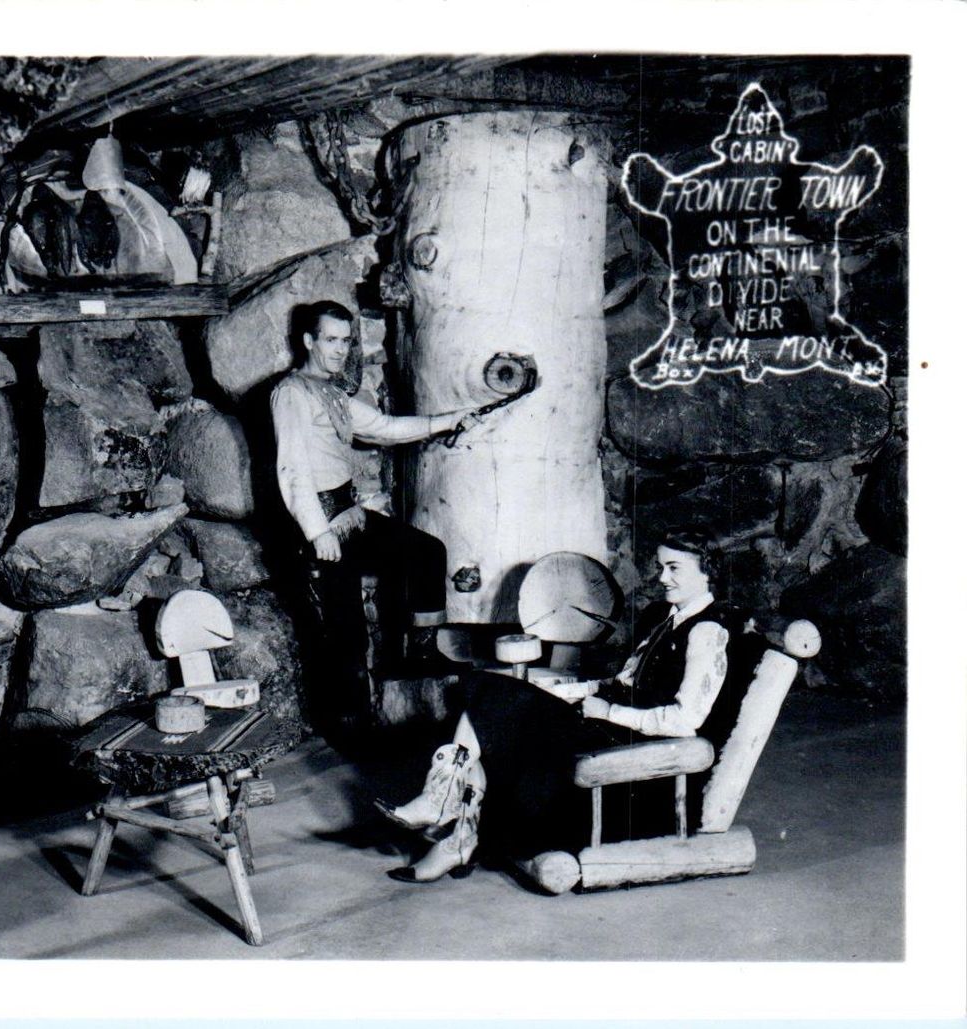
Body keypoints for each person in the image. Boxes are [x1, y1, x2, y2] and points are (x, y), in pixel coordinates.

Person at [377, 526, 757, 883]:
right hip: (606, 724)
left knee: (489, 692)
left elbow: (686, 721)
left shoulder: (707, 631)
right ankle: (454, 828)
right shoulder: (665, 618)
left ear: (707, 571)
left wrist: (608, 712)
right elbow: (623, 682)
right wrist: (571, 691)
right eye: (660, 567)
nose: (662, 578)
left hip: (632, 753)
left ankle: (448, 816)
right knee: (490, 695)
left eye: (674, 568)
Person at [269, 300, 488, 731]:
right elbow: (291, 468)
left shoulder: (331, 392)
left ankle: (422, 652)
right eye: (330, 340)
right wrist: (317, 532)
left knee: (426, 552)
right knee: (345, 630)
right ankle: (349, 725)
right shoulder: (291, 393)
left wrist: (449, 420)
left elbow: (384, 427)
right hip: (321, 526)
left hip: (349, 515)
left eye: (346, 341)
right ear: (308, 341)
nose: (340, 349)